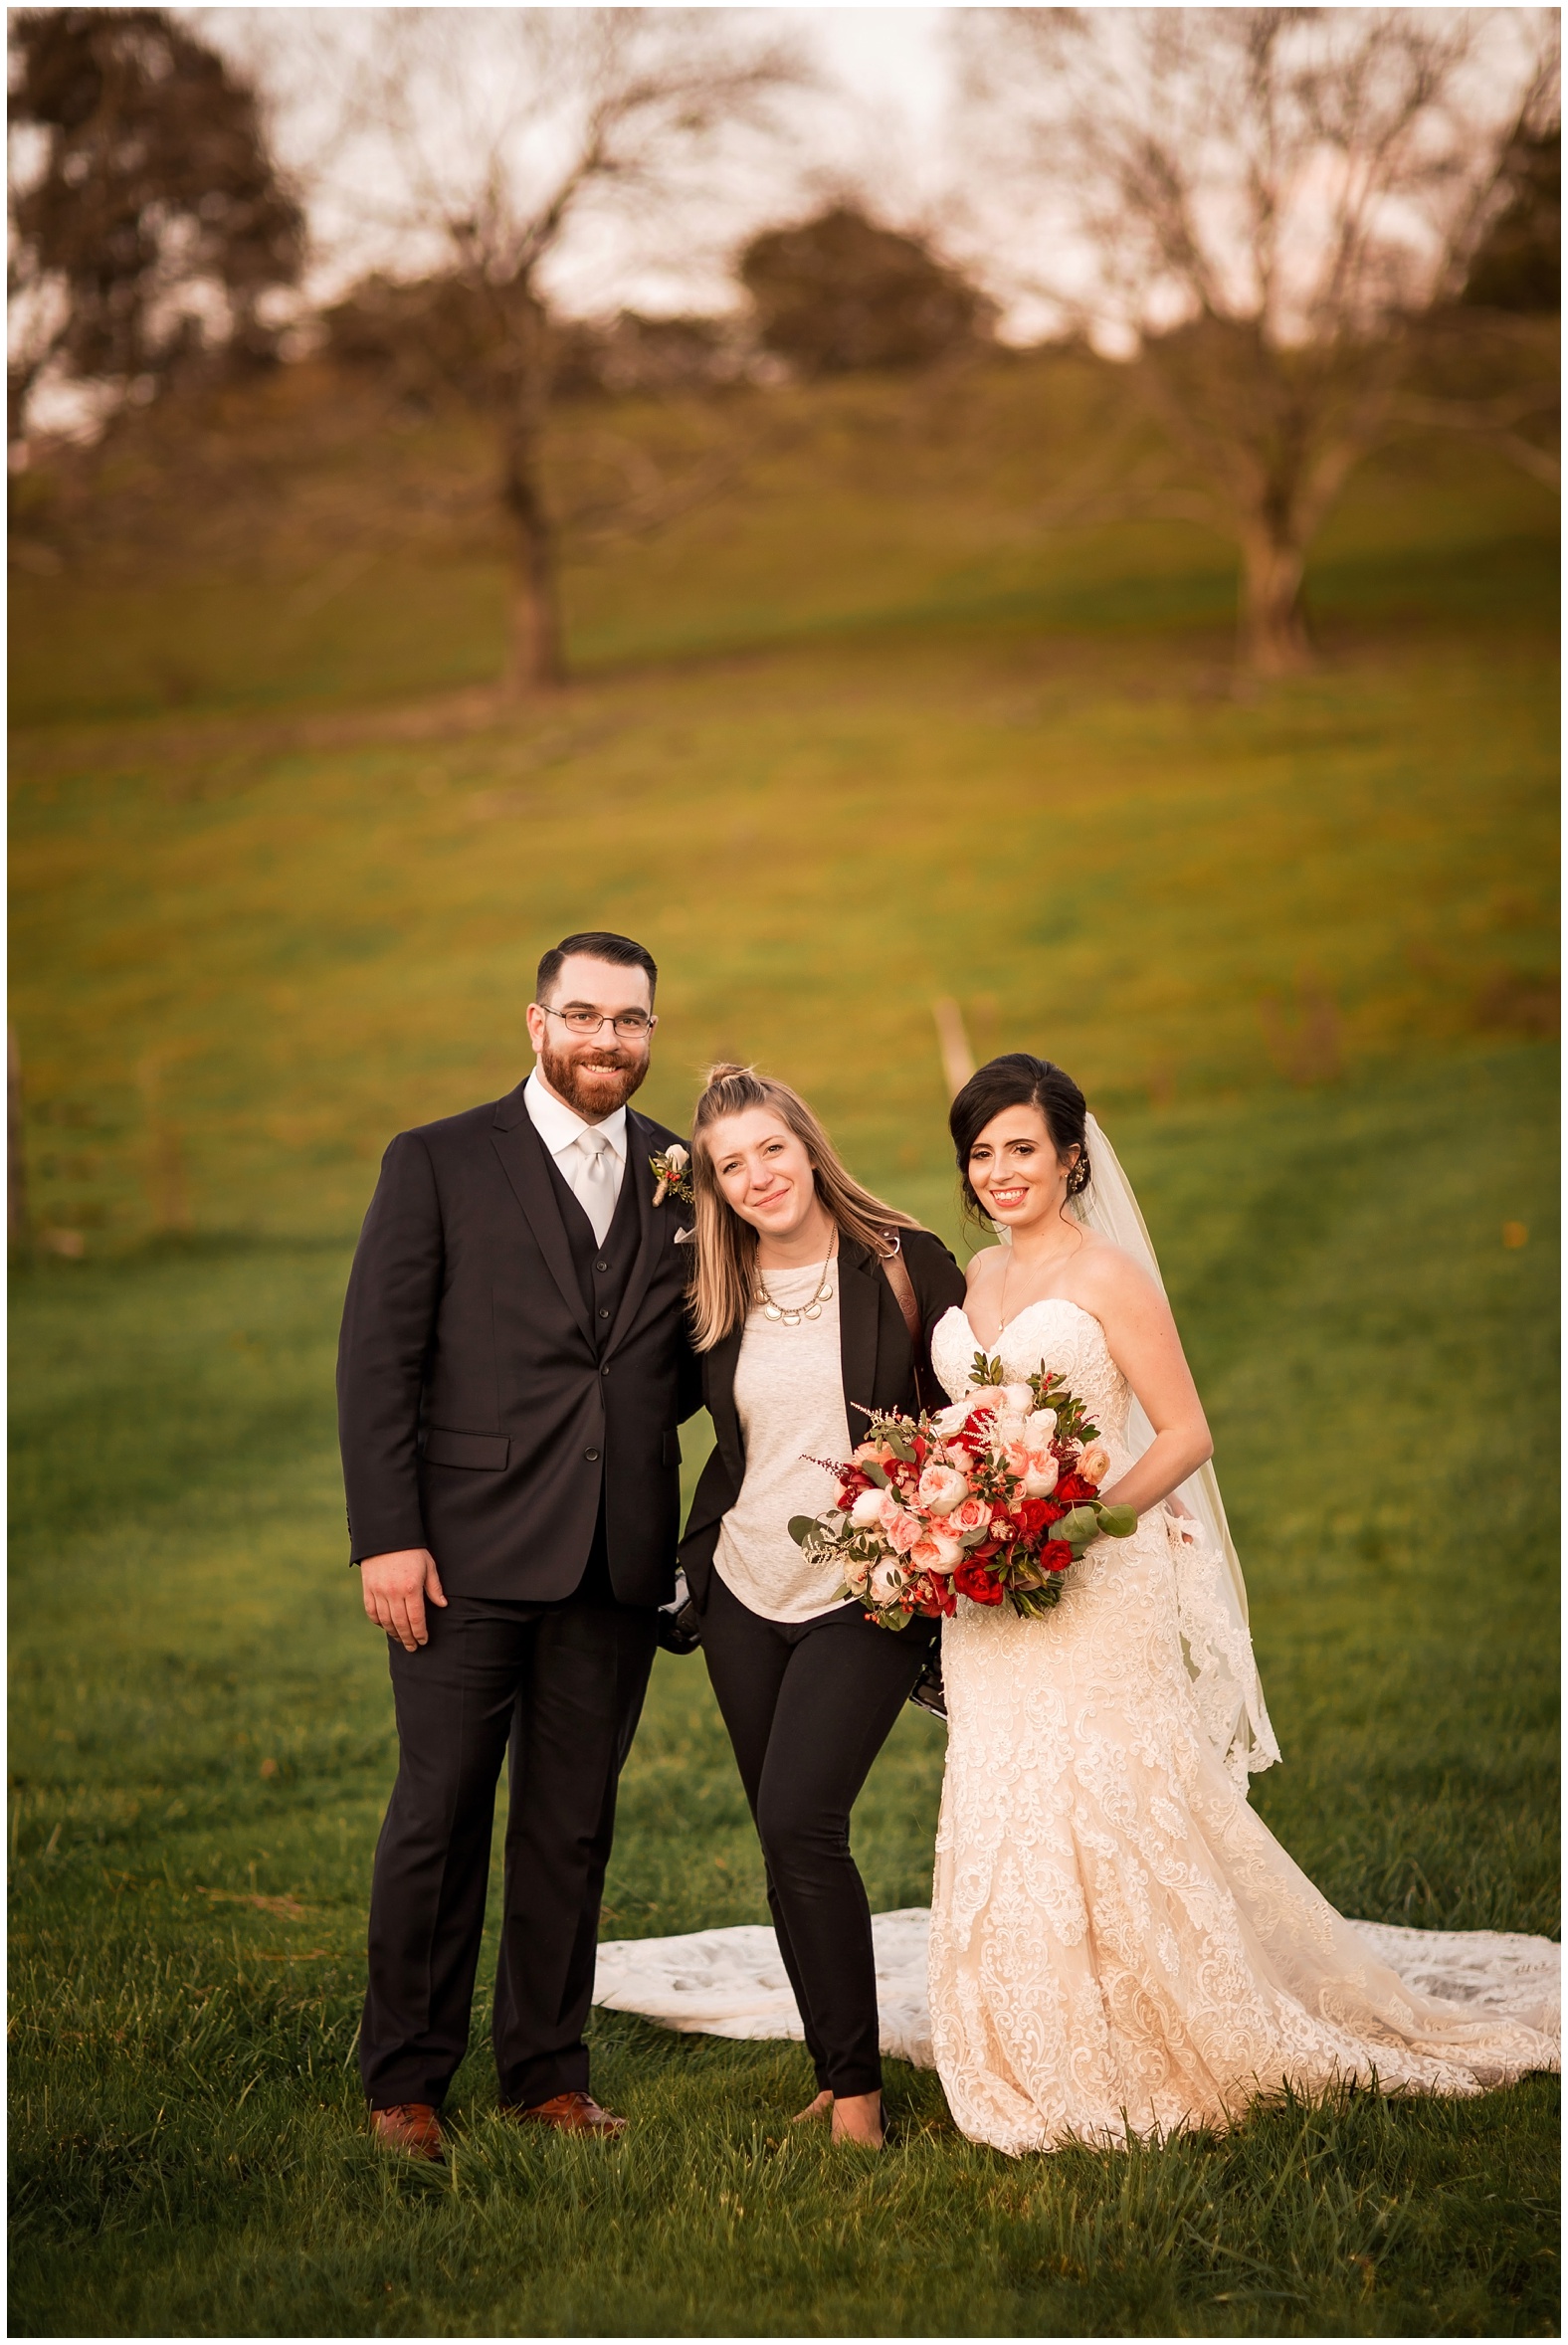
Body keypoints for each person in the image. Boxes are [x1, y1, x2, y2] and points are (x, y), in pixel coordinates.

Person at [926, 1053, 1557, 2154]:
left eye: (1021, 1147)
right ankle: (1030, 2032)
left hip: (1092, 1576)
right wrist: (955, 1522)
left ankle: (1177, 2023)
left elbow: (1183, 1432)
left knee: (1115, 1795)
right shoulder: (973, 1275)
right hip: (988, 1596)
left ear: (1072, 1156)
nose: (1000, 1170)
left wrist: (1086, 1521)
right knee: (1006, 1800)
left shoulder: (1109, 1273)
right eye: (980, 1152)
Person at [336, 930, 699, 2160]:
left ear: (652, 1032)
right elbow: (378, 1361)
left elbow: (696, 1360)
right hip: (461, 1554)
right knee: (437, 1814)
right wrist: (388, 1536)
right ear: (535, 1023)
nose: (609, 1039)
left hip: (615, 1557)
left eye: (632, 1020)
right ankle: (407, 2081)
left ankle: (546, 2069)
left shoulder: (681, 1172)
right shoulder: (437, 1159)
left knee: (571, 1818)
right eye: (586, 1014)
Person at [678, 1066, 967, 2147]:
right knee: (779, 1833)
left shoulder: (902, 1259)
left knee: (803, 1817)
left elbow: (986, 1398)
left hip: (870, 1586)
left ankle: (858, 2103)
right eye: (729, 1165)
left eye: (770, 1149)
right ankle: (827, 2061)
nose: (757, 1177)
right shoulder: (707, 1282)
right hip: (747, 1587)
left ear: (807, 1144)